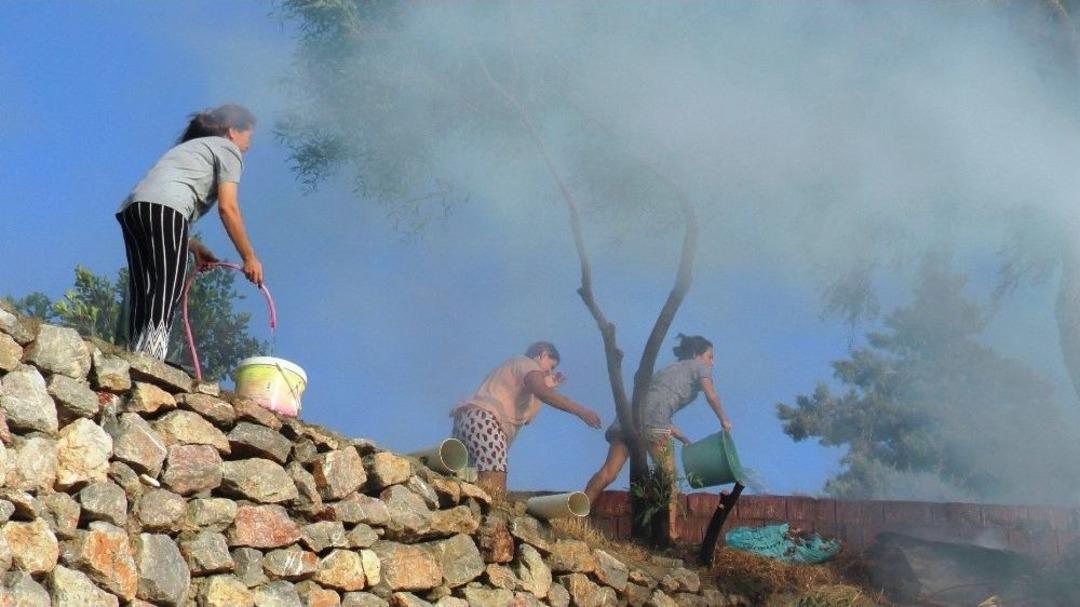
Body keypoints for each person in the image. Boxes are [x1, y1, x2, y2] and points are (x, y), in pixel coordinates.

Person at [116, 104, 263, 360]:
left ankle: (133, 354)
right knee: (167, 285)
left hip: (133, 211)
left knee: (145, 286)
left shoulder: (190, 149)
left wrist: (193, 247)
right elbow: (228, 208)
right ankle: (152, 356)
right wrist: (249, 257)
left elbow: (158, 207)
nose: (249, 145)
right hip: (166, 210)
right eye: (249, 135)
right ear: (232, 132)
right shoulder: (228, 150)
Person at [583, 333, 731, 538]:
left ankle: (576, 513)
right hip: (655, 426)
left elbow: (655, 408)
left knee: (608, 472)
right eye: (710, 356)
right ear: (697, 355)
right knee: (668, 478)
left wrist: (683, 438)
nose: (712, 362)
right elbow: (711, 394)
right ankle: (670, 532)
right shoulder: (700, 367)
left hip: (628, 420)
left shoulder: (668, 370)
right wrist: (723, 419)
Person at [451, 341, 602, 495]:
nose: (549, 373)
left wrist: (547, 386)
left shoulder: (516, 371)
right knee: (494, 489)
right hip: (485, 422)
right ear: (542, 354)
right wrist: (582, 411)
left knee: (464, 483)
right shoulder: (527, 363)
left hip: (468, 422)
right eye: (551, 367)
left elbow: (528, 417)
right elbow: (541, 391)